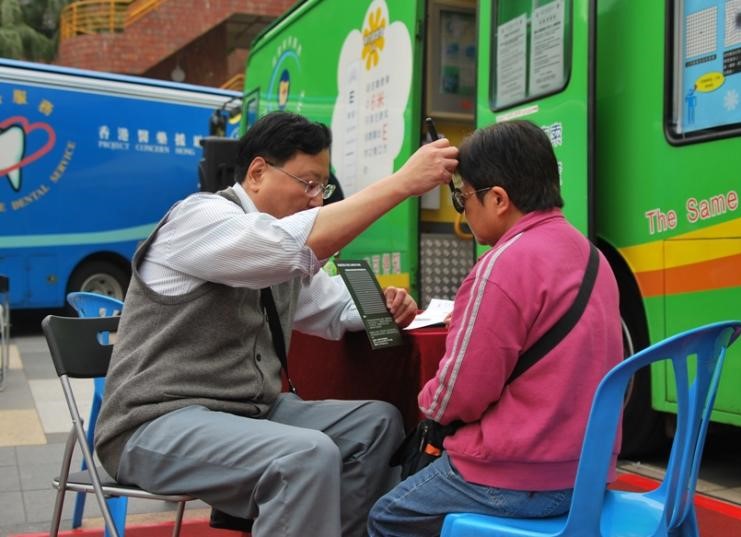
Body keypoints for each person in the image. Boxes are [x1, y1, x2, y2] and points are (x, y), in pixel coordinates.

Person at [94, 111, 458, 537]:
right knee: (304, 456)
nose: (316, 199)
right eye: (308, 183)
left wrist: (383, 306)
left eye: (321, 186)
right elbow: (287, 250)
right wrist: (403, 183)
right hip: (153, 424)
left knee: (376, 425)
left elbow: (330, 307)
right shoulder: (198, 219)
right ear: (257, 173)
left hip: (249, 413)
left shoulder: (271, 243)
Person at [368, 120, 622, 536]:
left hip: (517, 477)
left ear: (499, 199)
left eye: (463, 197)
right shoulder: (591, 255)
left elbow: (458, 396)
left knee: (387, 517)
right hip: (588, 475)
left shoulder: (500, 269)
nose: (462, 209)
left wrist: (428, 400)